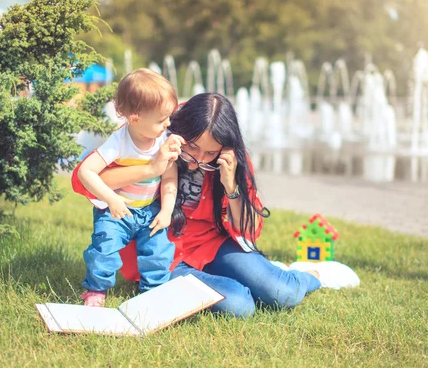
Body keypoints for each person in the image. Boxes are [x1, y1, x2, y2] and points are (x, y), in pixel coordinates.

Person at [74, 93, 347, 317]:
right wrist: (151, 168)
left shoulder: (229, 161)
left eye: (210, 152)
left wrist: (231, 186)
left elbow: (247, 231)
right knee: (239, 306)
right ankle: (247, 279)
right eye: (192, 147)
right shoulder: (151, 133)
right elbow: (83, 179)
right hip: (161, 254)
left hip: (212, 245)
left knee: (281, 293)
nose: (197, 158)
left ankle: (312, 272)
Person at [74, 68, 185, 307]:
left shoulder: (163, 139)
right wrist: (110, 199)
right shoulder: (120, 141)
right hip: (117, 211)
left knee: (158, 251)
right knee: (104, 249)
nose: (168, 124)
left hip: (149, 210)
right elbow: (86, 171)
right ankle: (96, 290)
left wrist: (166, 211)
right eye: (161, 119)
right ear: (135, 119)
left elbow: (169, 178)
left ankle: (153, 293)